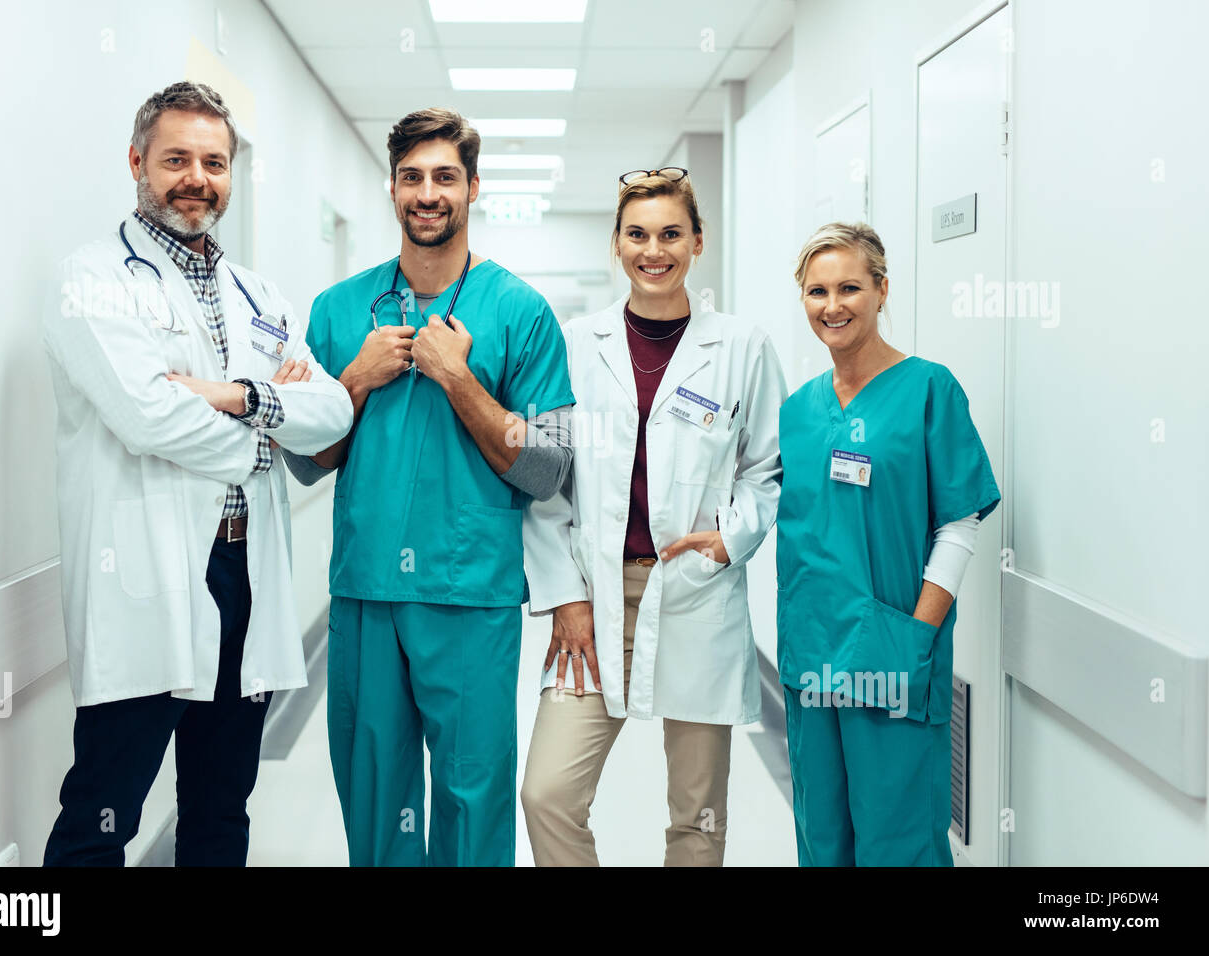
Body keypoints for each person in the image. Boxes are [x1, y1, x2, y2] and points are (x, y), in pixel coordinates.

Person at [41, 82, 353, 866]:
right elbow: (148, 415)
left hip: (243, 575)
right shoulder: (92, 278)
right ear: (138, 161)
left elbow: (333, 414)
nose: (196, 177)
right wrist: (268, 432)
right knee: (101, 813)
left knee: (220, 807)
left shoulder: (257, 293)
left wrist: (241, 397)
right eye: (176, 158)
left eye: (214, 162)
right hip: (143, 578)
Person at [281, 108, 575, 867]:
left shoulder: (521, 312)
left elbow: (548, 468)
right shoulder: (340, 311)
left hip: (470, 596)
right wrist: (353, 381)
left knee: (472, 802)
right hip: (367, 590)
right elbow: (308, 461)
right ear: (392, 188)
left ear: (474, 187)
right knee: (375, 797)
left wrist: (458, 378)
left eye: (445, 176)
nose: (428, 192)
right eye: (412, 176)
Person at [520, 169, 786, 866]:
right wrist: (565, 598)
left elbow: (769, 468)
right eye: (637, 234)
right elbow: (548, 486)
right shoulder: (577, 344)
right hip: (596, 599)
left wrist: (731, 539)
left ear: (697, 242)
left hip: (695, 593)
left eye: (671, 233)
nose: (653, 249)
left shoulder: (742, 347)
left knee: (697, 815)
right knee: (547, 793)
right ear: (617, 245)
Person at [775, 222, 1000, 866]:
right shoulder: (798, 409)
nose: (833, 305)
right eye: (817, 291)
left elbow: (959, 522)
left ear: (881, 290)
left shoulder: (929, 388)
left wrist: (917, 636)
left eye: (850, 287)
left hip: (892, 649)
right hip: (813, 653)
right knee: (823, 837)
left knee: (898, 840)